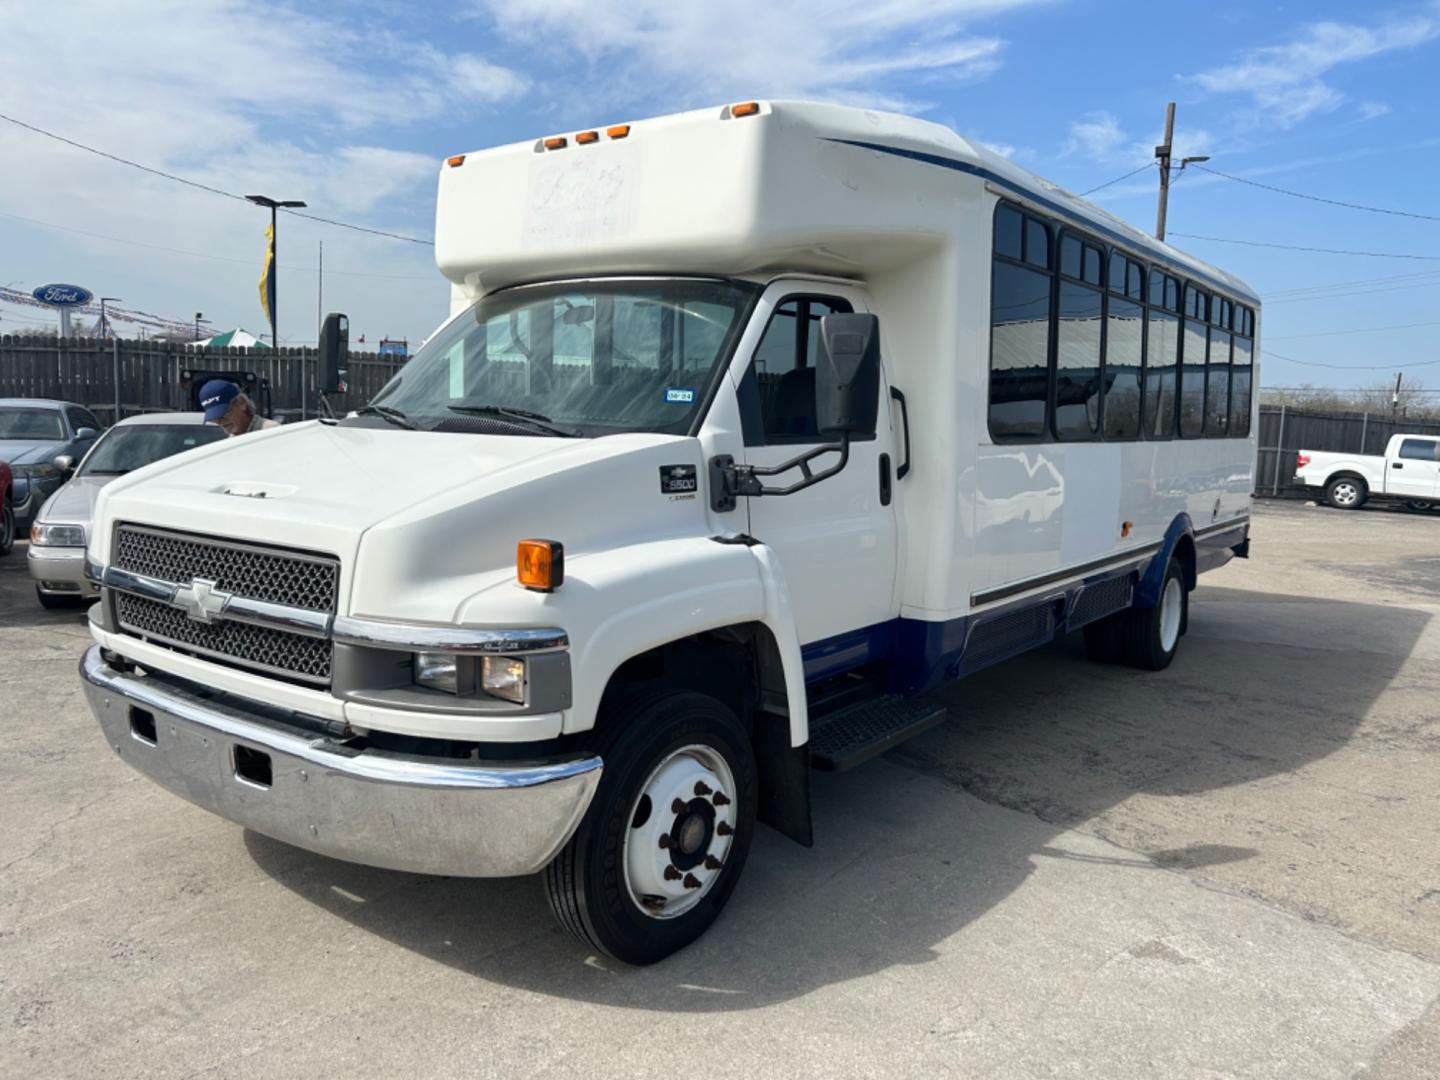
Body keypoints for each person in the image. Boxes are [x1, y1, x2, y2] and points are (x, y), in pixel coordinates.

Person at [199, 379, 280, 435]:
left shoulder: (270, 432)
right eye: (214, 418)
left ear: (241, 403)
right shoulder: (229, 443)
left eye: (223, 413)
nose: (220, 421)